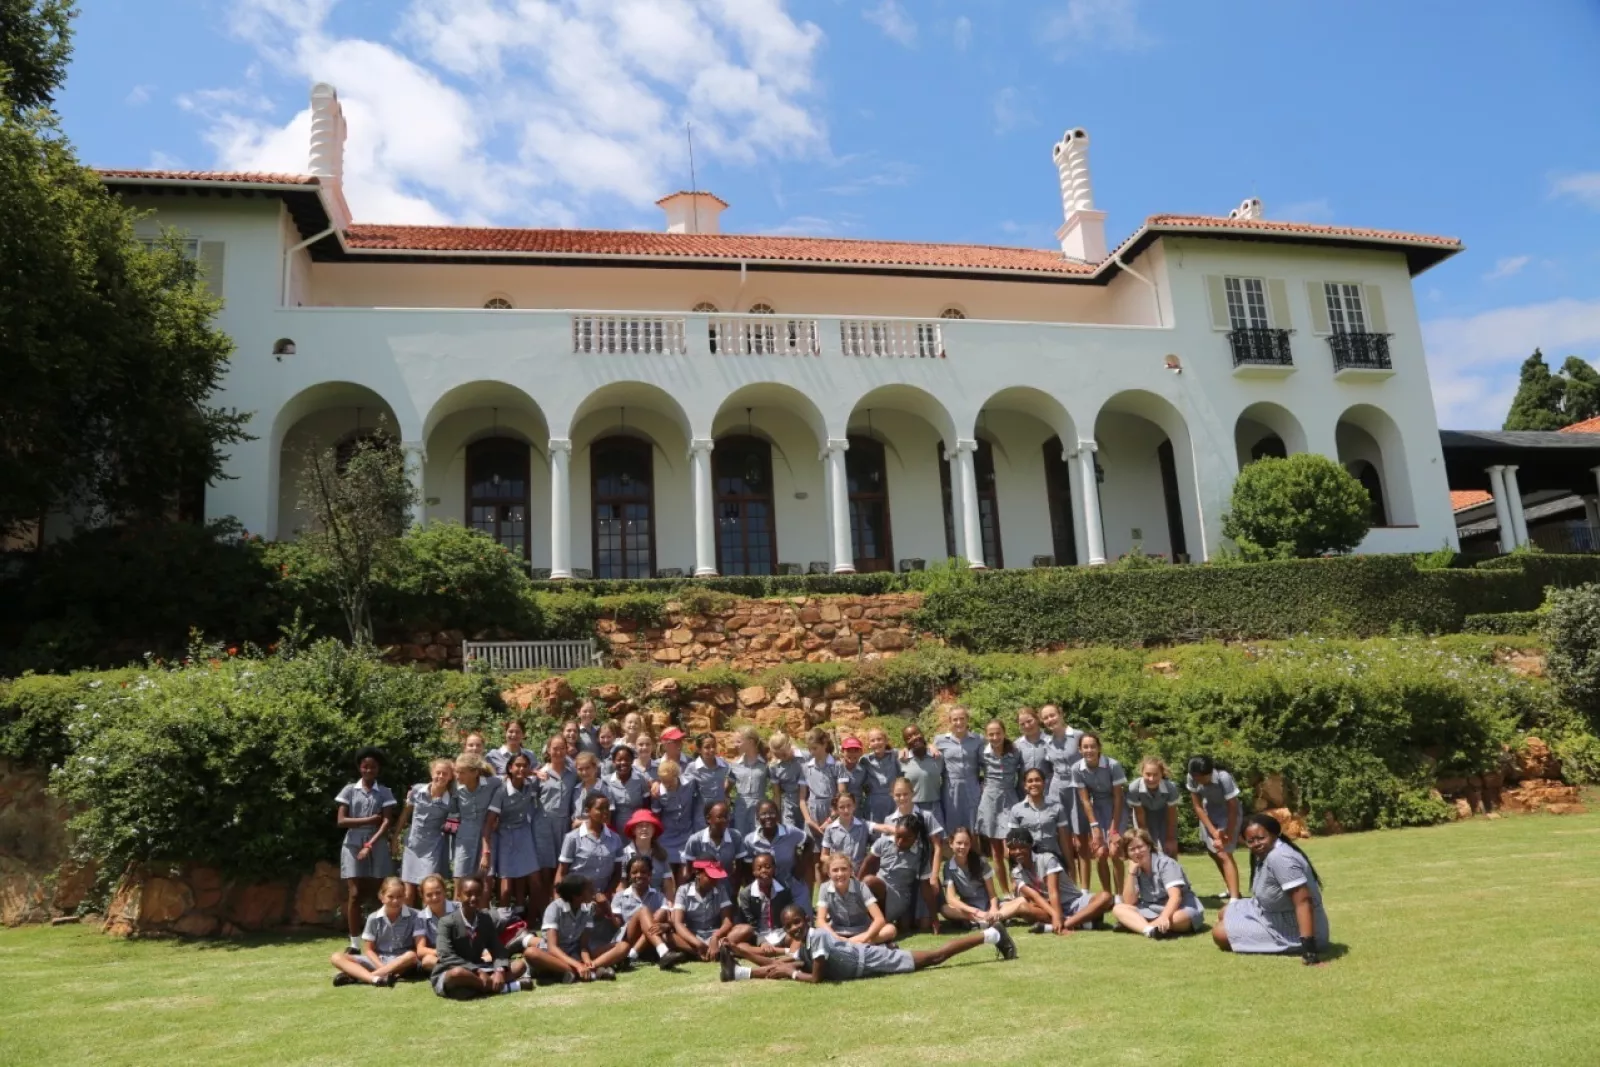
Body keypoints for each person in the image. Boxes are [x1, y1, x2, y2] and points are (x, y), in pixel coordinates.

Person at [720, 904, 1016, 983]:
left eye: (797, 922)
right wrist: (740, 951)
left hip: (873, 960)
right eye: (789, 926)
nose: (794, 928)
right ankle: (738, 973)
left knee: (935, 957)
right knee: (784, 965)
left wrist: (792, 973)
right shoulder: (804, 942)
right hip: (861, 960)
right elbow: (779, 963)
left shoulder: (819, 937)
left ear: (808, 919)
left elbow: (817, 979)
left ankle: (992, 935)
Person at [1212, 813, 1329, 963]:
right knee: (1224, 912)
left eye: (1261, 838)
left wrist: (1309, 950)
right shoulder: (1264, 852)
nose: (1256, 844)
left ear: (1275, 834)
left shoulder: (1280, 858)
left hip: (1289, 927)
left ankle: (1301, 943)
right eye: (1251, 841)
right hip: (1267, 912)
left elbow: (1303, 902)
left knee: (1219, 933)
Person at [335, 747, 398, 952]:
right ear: (359, 768)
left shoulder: (385, 792)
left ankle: (381, 940)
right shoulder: (349, 790)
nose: (368, 770)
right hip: (353, 844)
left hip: (377, 843)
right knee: (355, 893)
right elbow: (342, 821)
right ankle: (354, 943)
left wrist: (370, 844)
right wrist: (369, 819)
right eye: (365, 766)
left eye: (373, 767)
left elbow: (387, 821)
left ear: (378, 769)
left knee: (381, 893)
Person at [429, 877, 529, 997]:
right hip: (453, 969)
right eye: (468, 894)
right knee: (457, 973)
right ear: (459, 896)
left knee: (520, 965)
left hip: (480, 967)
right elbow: (446, 955)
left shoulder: (485, 919)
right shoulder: (446, 922)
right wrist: (476, 970)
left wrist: (500, 970)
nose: (473, 898)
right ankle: (504, 988)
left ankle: (477, 988)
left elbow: (497, 948)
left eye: (477, 894)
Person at [1005, 828, 1113, 935]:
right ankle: (1082, 923)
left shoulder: (1048, 859)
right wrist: (1055, 915)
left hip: (1074, 903)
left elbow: (1053, 892)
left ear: (1030, 846)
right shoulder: (1016, 873)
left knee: (1106, 897)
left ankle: (1066, 924)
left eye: (1022, 847)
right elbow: (1036, 898)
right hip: (1050, 908)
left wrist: (1059, 919)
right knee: (1024, 908)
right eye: (1013, 848)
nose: (1017, 852)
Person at [522, 873, 627, 982]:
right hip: (553, 956)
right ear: (577, 896)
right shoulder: (554, 908)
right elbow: (552, 948)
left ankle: (582, 971)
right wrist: (577, 965)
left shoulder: (587, 910)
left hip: (575, 954)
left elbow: (583, 946)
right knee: (531, 953)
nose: (594, 892)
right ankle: (589, 972)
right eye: (589, 890)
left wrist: (587, 961)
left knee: (623, 946)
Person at [1112, 829, 1205, 938]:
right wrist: (1131, 873)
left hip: (1179, 908)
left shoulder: (1166, 864)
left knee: (1179, 918)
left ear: (1149, 846)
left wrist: (1164, 917)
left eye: (1140, 847)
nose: (1137, 852)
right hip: (1150, 909)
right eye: (1132, 849)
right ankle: (1150, 929)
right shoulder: (1135, 867)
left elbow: (1176, 897)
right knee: (1118, 909)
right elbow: (1129, 902)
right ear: (1127, 853)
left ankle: (1139, 926)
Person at [329, 876, 420, 987]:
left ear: (405, 896)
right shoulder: (374, 918)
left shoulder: (415, 916)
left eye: (399, 896)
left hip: (402, 961)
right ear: (381, 896)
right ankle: (376, 978)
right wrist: (382, 967)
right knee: (336, 957)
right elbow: (369, 950)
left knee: (411, 955)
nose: (395, 901)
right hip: (378, 959)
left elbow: (417, 948)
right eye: (390, 897)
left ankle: (362, 978)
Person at [862, 813, 941, 934]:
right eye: (898, 836)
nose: (900, 842)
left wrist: (934, 919)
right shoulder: (883, 842)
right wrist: (853, 889)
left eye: (906, 838)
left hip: (899, 896)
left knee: (870, 881)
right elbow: (867, 864)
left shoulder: (920, 854)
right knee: (867, 883)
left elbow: (926, 888)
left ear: (916, 837)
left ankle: (878, 923)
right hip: (878, 889)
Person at [1071, 733, 1128, 893]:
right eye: (1085, 747)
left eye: (1093, 746)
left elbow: (1118, 797)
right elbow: (1085, 801)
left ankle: (1119, 895)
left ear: (1099, 748)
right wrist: (1095, 827)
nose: (1089, 750)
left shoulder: (1113, 765)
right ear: (1080, 750)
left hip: (1116, 809)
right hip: (1096, 810)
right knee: (1100, 853)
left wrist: (1114, 829)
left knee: (1115, 851)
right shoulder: (1077, 769)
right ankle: (1107, 895)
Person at [611, 854, 687, 970]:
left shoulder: (658, 895)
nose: (639, 875)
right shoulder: (620, 896)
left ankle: (631, 956)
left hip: (650, 940)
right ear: (629, 876)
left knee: (661, 914)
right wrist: (607, 911)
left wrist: (664, 926)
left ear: (650, 874)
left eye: (643, 872)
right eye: (634, 872)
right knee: (643, 910)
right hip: (629, 937)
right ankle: (663, 952)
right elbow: (617, 925)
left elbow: (670, 921)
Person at [396, 757, 455, 905]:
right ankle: (408, 924)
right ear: (431, 773)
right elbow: (405, 814)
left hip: (433, 846)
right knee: (408, 889)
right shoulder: (417, 790)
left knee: (429, 887)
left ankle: (428, 924)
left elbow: (453, 823)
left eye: (445, 773)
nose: (441, 776)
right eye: (438, 772)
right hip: (412, 843)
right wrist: (395, 836)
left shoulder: (452, 800)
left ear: (450, 777)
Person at [1187, 755, 1243, 902]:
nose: (1197, 780)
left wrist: (1228, 833)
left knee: (1224, 853)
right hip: (1208, 814)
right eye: (1195, 776)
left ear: (1209, 773)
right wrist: (1213, 831)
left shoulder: (1224, 778)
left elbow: (1233, 807)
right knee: (1213, 853)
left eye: (1200, 777)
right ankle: (1230, 889)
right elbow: (1197, 807)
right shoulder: (1191, 777)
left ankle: (1235, 899)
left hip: (1229, 815)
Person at [532, 733, 577, 917]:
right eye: (555, 748)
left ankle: (560, 909)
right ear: (548, 750)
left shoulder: (572, 774)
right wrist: (533, 772)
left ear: (567, 750)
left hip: (564, 824)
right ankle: (544, 911)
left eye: (562, 748)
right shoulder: (541, 773)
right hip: (543, 824)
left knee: (562, 867)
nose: (558, 752)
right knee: (545, 868)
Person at [557, 793, 625, 911]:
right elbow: (562, 873)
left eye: (607, 808)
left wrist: (607, 894)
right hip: (577, 899)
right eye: (600, 808)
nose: (605, 812)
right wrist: (560, 901)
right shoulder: (573, 838)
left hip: (602, 899)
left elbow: (617, 873)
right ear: (588, 811)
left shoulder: (615, 839)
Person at [493, 752, 541, 917]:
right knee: (506, 884)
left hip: (524, 832)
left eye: (525, 766)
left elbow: (539, 777)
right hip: (505, 835)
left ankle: (530, 918)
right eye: (517, 765)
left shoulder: (530, 785)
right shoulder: (501, 790)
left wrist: (535, 773)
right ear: (510, 768)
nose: (521, 769)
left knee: (534, 878)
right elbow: (490, 821)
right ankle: (504, 919)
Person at [726, 852, 795, 963]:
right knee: (740, 946)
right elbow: (750, 924)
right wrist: (762, 941)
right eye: (759, 868)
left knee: (796, 939)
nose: (763, 870)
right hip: (756, 935)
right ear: (753, 872)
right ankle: (784, 951)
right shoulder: (746, 894)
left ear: (774, 869)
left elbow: (788, 917)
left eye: (768, 867)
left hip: (778, 933)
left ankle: (774, 950)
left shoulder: (784, 890)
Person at [974, 719, 1021, 884]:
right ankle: (1006, 892)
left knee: (1011, 849)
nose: (995, 737)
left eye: (998, 733)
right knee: (996, 852)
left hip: (1010, 800)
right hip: (990, 801)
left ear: (1004, 733)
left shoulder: (1015, 751)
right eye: (991, 734)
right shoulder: (982, 752)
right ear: (986, 736)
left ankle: (1017, 886)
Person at [815, 852, 896, 945]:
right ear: (829, 873)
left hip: (862, 932)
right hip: (837, 932)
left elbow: (879, 919)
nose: (840, 873)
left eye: (844, 869)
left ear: (850, 871)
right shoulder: (824, 888)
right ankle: (860, 944)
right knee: (817, 933)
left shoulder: (861, 887)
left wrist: (864, 937)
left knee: (890, 929)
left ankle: (850, 944)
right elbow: (820, 920)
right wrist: (835, 936)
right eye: (835, 870)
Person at [747, 798, 810, 914]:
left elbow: (808, 842)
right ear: (757, 817)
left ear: (778, 815)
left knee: (803, 920)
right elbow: (747, 868)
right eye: (763, 814)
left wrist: (801, 866)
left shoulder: (790, 832)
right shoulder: (750, 840)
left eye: (772, 813)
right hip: (768, 890)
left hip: (792, 884)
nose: (768, 817)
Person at [668, 859, 735, 962]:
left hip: (715, 934)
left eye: (716, 877)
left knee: (745, 929)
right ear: (698, 873)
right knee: (667, 936)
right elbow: (678, 923)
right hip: (692, 936)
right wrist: (697, 943)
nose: (715, 880)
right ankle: (704, 951)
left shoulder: (720, 889)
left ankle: (698, 952)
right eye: (710, 877)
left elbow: (727, 922)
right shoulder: (683, 890)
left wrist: (715, 937)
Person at [940, 827, 1008, 928]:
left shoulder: (981, 862)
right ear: (951, 843)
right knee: (945, 909)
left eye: (966, 844)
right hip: (970, 910)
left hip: (989, 905)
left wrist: (993, 909)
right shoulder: (948, 867)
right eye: (959, 843)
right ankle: (982, 920)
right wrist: (976, 912)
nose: (962, 847)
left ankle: (989, 919)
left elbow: (992, 894)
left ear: (970, 845)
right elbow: (951, 899)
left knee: (1020, 902)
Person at [449, 753, 501, 884]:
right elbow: (452, 812)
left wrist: (499, 818)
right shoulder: (455, 787)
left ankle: (483, 905)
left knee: (485, 878)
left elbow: (510, 782)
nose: (458, 776)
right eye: (456, 772)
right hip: (464, 836)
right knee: (460, 878)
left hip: (487, 835)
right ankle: (458, 904)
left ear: (475, 773)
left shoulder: (493, 783)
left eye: (462, 773)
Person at [1005, 768, 1073, 867]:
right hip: (1028, 863)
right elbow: (1014, 844)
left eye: (1037, 780)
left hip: (1054, 860)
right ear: (1025, 785)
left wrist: (1069, 865)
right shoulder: (1016, 810)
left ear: (1044, 783)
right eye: (1030, 781)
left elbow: (1063, 841)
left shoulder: (1057, 807)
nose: (1034, 784)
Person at [682, 799, 750, 892]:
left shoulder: (735, 837)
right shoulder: (695, 840)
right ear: (708, 819)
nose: (725, 820)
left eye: (726, 816)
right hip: (703, 889)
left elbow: (739, 868)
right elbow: (689, 871)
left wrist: (734, 890)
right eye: (720, 817)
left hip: (727, 889)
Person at [934, 707, 983, 835]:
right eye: (955, 719)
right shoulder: (940, 740)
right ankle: (954, 852)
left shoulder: (978, 739)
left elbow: (985, 762)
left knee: (973, 819)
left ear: (967, 720)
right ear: (950, 721)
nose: (959, 722)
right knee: (952, 818)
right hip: (950, 786)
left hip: (972, 785)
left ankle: (974, 852)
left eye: (962, 718)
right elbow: (929, 751)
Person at [650, 757, 698, 881]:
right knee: (668, 874)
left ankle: (680, 898)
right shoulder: (658, 792)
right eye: (663, 782)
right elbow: (656, 816)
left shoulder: (691, 783)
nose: (667, 785)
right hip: (667, 836)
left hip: (687, 834)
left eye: (670, 782)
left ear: (677, 776)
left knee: (685, 873)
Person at [1127, 757, 1181, 857]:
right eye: (1148, 774)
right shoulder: (1134, 788)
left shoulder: (1171, 788)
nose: (1151, 779)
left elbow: (1172, 815)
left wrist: (1170, 839)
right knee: (1146, 849)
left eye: (1155, 775)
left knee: (1170, 849)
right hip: (1144, 814)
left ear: (1161, 774)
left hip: (1164, 815)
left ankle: (1172, 870)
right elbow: (1140, 816)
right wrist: (1148, 841)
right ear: (1142, 773)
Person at [618, 808, 676, 898]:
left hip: (658, 902)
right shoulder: (624, 854)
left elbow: (668, 884)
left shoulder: (662, 854)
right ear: (633, 830)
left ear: (654, 830)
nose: (644, 828)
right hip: (632, 902)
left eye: (648, 825)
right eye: (640, 826)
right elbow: (621, 884)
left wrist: (670, 904)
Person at [1038, 704, 1083, 811]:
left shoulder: (1078, 736)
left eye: (1052, 715)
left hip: (1077, 787)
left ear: (1061, 714)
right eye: (1045, 718)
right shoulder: (1047, 743)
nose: (1050, 720)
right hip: (1056, 790)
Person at [682, 733, 730, 832]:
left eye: (713, 746)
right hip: (702, 816)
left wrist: (726, 793)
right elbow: (685, 789)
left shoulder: (724, 765)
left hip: (722, 814)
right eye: (707, 747)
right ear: (699, 750)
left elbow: (732, 779)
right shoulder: (693, 767)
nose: (711, 750)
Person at [898, 724, 945, 826]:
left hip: (935, 806)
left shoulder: (937, 757)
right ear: (906, 743)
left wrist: (930, 745)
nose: (914, 738)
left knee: (939, 840)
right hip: (913, 808)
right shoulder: (902, 760)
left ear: (922, 734)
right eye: (909, 738)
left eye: (916, 734)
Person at [728, 725, 770, 836]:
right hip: (741, 808)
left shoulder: (766, 764)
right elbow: (726, 789)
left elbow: (777, 787)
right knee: (741, 839)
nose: (735, 745)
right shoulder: (735, 765)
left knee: (759, 837)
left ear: (750, 742)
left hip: (760, 808)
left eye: (738, 742)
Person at [414, 874, 458, 972]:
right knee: (427, 961)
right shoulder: (421, 917)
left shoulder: (458, 909)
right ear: (422, 896)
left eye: (438, 893)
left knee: (486, 953)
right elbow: (420, 950)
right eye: (429, 894)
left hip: (461, 952)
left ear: (444, 891)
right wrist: (444, 953)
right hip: (439, 956)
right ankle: (457, 968)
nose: (434, 897)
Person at [819, 791, 871, 874]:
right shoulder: (830, 829)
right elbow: (823, 856)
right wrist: (838, 861)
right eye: (841, 807)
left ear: (854, 806)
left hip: (859, 873)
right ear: (836, 809)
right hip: (839, 873)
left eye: (849, 806)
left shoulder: (863, 826)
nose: (846, 810)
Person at [602, 743, 648, 830]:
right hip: (615, 827)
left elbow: (647, 803)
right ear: (613, 761)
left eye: (627, 759)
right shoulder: (606, 781)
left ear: (632, 761)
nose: (623, 763)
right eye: (619, 760)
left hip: (637, 825)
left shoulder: (640, 779)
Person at [767, 731, 806, 832]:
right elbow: (776, 794)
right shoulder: (774, 766)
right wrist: (777, 815)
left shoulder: (805, 756)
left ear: (789, 745)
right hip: (788, 805)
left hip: (807, 803)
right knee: (790, 834)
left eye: (784, 754)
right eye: (777, 755)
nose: (781, 758)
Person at [860, 727, 901, 824]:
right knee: (876, 832)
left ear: (886, 741)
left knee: (893, 829)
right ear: (869, 744)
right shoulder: (865, 760)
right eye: (873, 740)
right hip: (874, 802)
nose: (876, 742)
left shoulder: (894, 755)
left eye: (879, 739)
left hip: (892, 800)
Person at [569, 752, 606, 829]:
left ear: (595, 768)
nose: (584, 772)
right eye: (580, 769)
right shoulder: (577, 789)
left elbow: (606, 817)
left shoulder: (603, 789)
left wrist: (583, 822)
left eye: (587, 768)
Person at [1013, 707, 1051, 781]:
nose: (1027, 726)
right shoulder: (1016, 745)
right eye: (1022, 724)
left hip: (1047, 790)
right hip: (1023, 791)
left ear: (1037, 719)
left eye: (1029, 721)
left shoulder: (1051, 742)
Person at [838, 735, 869, 814]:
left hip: (857, 811)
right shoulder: (835, 768)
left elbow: (866, 789)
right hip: (838, 811)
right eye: (848, 750)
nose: (852, 754)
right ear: (842, 751)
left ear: (861, 752)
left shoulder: (863, 770)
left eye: (856, 750)